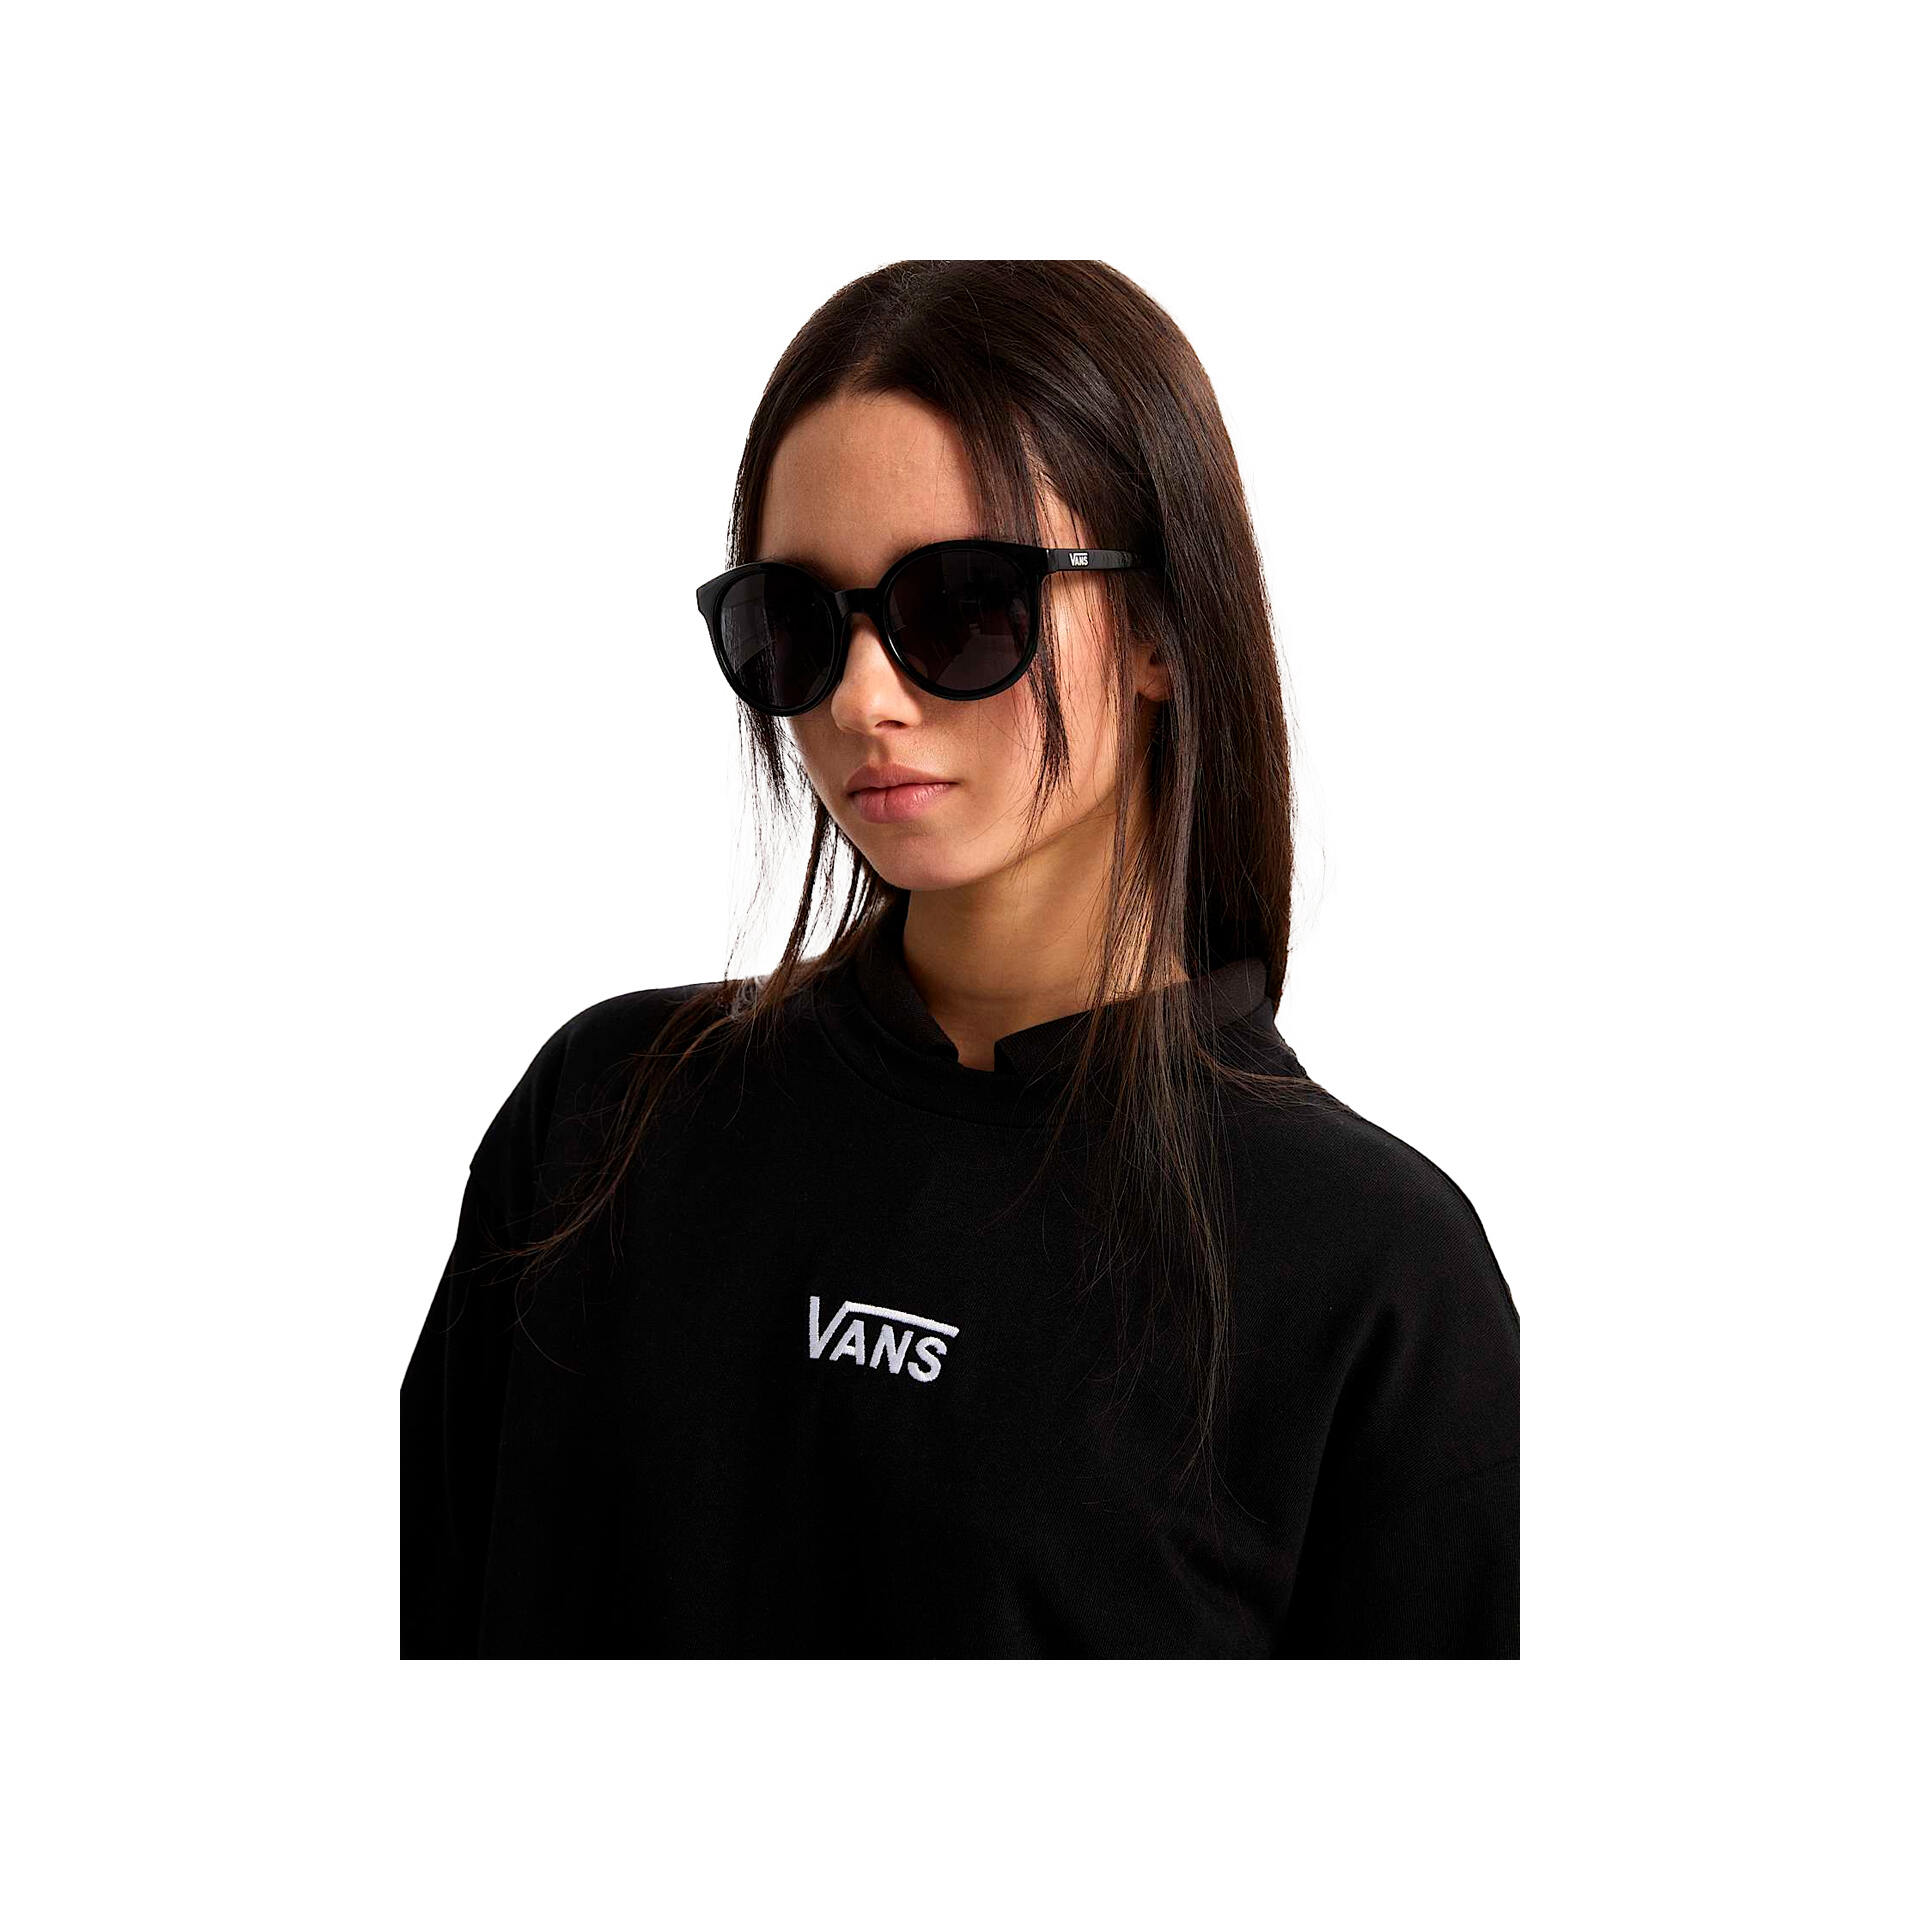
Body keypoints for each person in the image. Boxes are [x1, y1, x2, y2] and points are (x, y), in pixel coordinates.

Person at [400, 259, 1520, 1658]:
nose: (864, 698)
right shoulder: (603, 1118)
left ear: (1166, 629)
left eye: (964, 606)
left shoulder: (1370, 1275)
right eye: (796, 623)